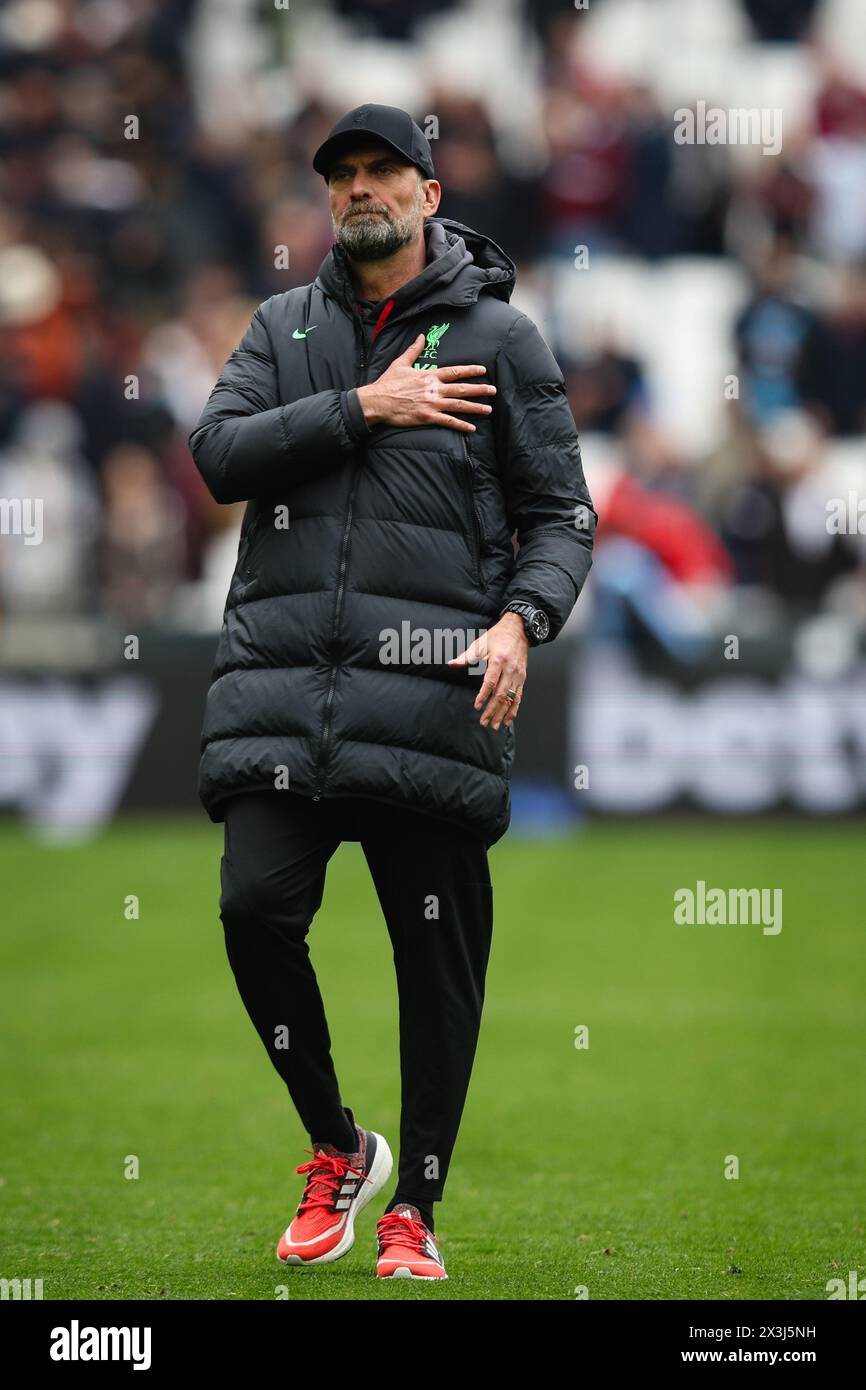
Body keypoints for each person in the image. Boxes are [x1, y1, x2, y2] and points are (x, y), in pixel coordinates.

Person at [189, 103, 596, 1281]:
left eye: (383, 171)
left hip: (431, 700)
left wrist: (523, 623)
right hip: (283, 702)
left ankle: (416, 1204)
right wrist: (364, 407)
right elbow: (216, 457)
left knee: (437, 968)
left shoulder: (500, 341)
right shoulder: (281, 326)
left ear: (428, 191)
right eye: (342, 175)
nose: (360, 189)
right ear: (328, 198)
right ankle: (337, 1145)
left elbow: (560, 517)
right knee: (252, 916)